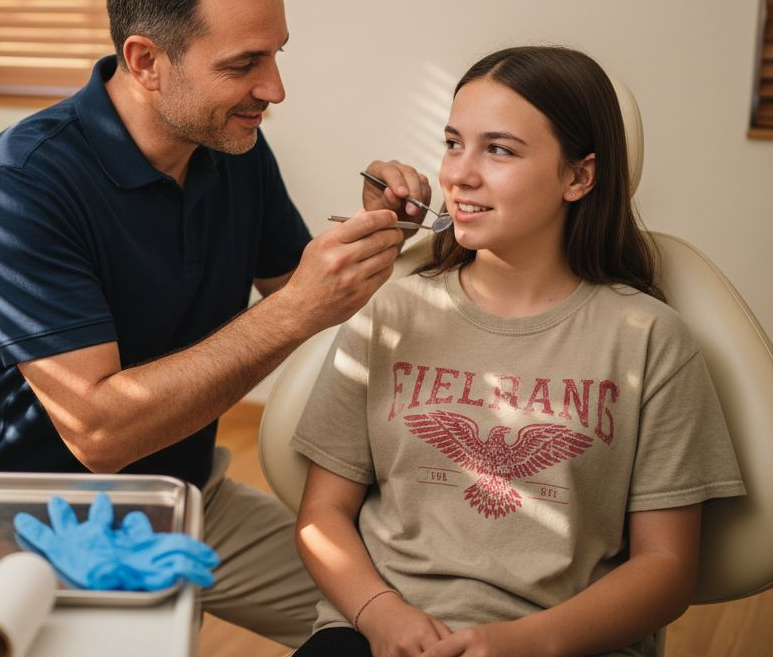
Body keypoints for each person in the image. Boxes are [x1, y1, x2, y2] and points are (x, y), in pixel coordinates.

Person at [0, 0, 431, 646]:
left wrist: (373, 238)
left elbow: (297, 290)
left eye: (276, 55)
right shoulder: (25, 184)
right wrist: (298, 309)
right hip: (45, 523)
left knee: (394, 618)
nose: (273, 88)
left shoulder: (233, 147)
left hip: (190, 496)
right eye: (244, 65)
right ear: (146, 61)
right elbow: (100, 432)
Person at [289, 46, 746, 657]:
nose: (458, 174)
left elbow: (666, 570)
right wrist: (382, 616)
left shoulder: (648, 340)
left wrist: (526, 642)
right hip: (376, 633)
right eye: (454, 143)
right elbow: (322, 515)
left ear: (578, 177)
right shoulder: (391, 313)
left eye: (498, 150)